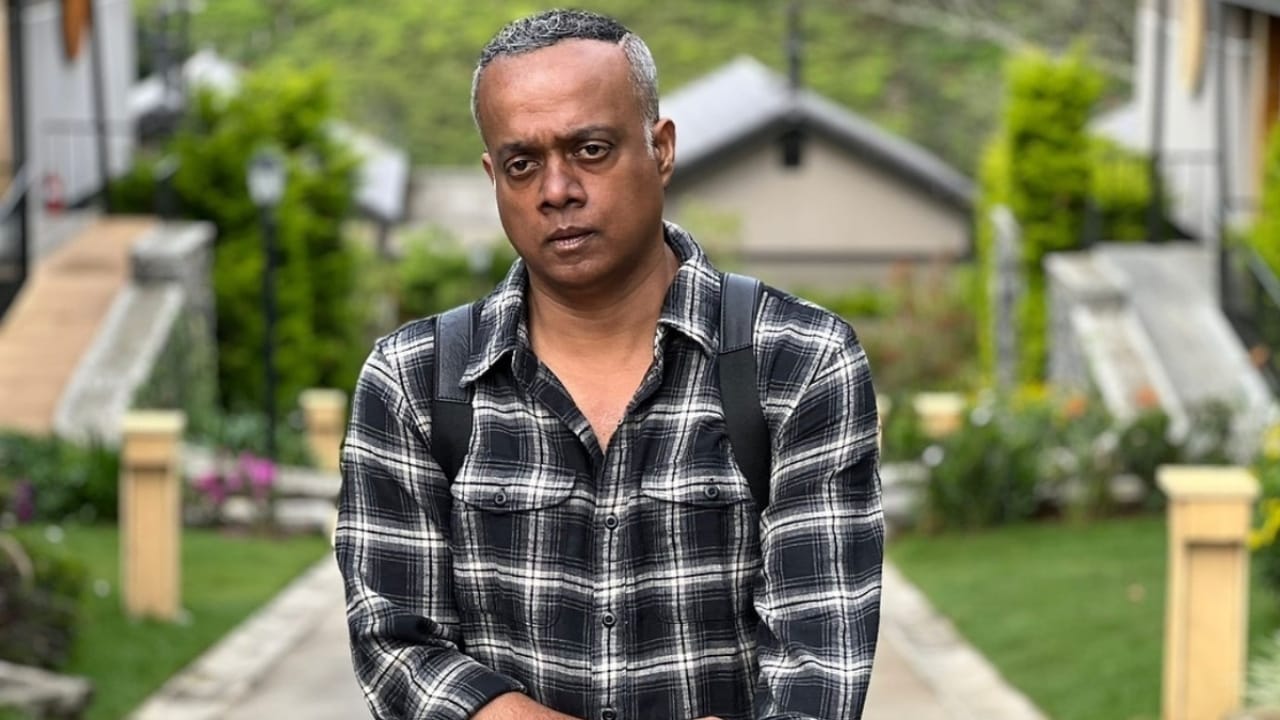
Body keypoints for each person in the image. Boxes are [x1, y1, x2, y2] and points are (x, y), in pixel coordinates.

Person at [335, 9, 884, 720]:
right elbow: (398, 648)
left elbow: (818, 672)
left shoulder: (799, 362)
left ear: (661, 149)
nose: (556, 189)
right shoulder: (415, 381)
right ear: (493, 176)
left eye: (590, 150)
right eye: (522, 164)